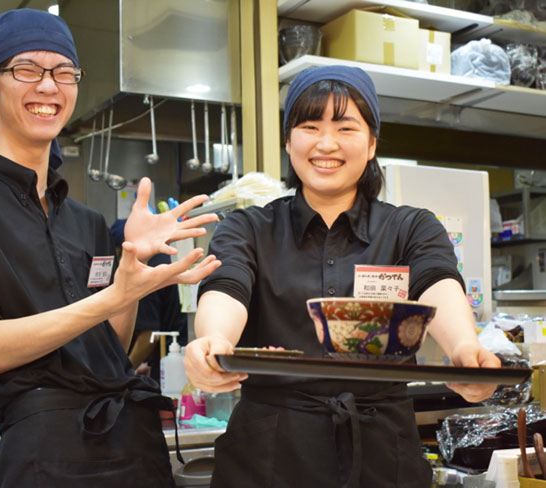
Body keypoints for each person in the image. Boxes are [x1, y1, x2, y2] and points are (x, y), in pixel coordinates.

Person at [0, 9, 220, 488]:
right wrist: (111, 298)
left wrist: (131, 264)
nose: (48, 86)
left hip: (132, 443)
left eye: (63, 72)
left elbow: (111, 345)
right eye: (26, 70)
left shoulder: (87, 221)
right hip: (44, 452)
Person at [184, 65, 500, 488]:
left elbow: (437, 282)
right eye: (310, 126)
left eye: (346, 127)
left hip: (382, 455)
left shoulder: (411, 228)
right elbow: (226, 288)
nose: (326, 143)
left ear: (371, 144)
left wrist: (464, 349)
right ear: (288, 141)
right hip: (268, 455)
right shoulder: (248, 228)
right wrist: (213, 343)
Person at [111, 219, 187, 380]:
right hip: (182, 353)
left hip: (171, 365)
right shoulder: (165, 258)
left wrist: (124, 371)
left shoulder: (143, 270)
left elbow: (149, 334)